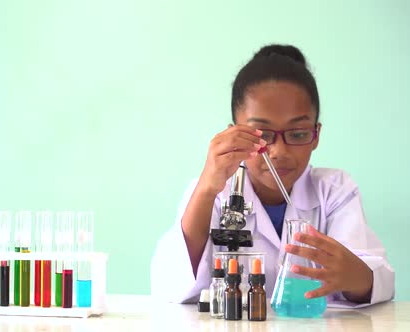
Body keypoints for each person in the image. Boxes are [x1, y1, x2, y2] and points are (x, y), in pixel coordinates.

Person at [150, 44, 394, 307]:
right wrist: (207, 189)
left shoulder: (334, 191)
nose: (278, 151)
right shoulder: (213, 192)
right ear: (234, 134)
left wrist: (353, 276)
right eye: (262, 135)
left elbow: (376, 282)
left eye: (298, 133)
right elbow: (170, 285)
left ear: (316, 135)